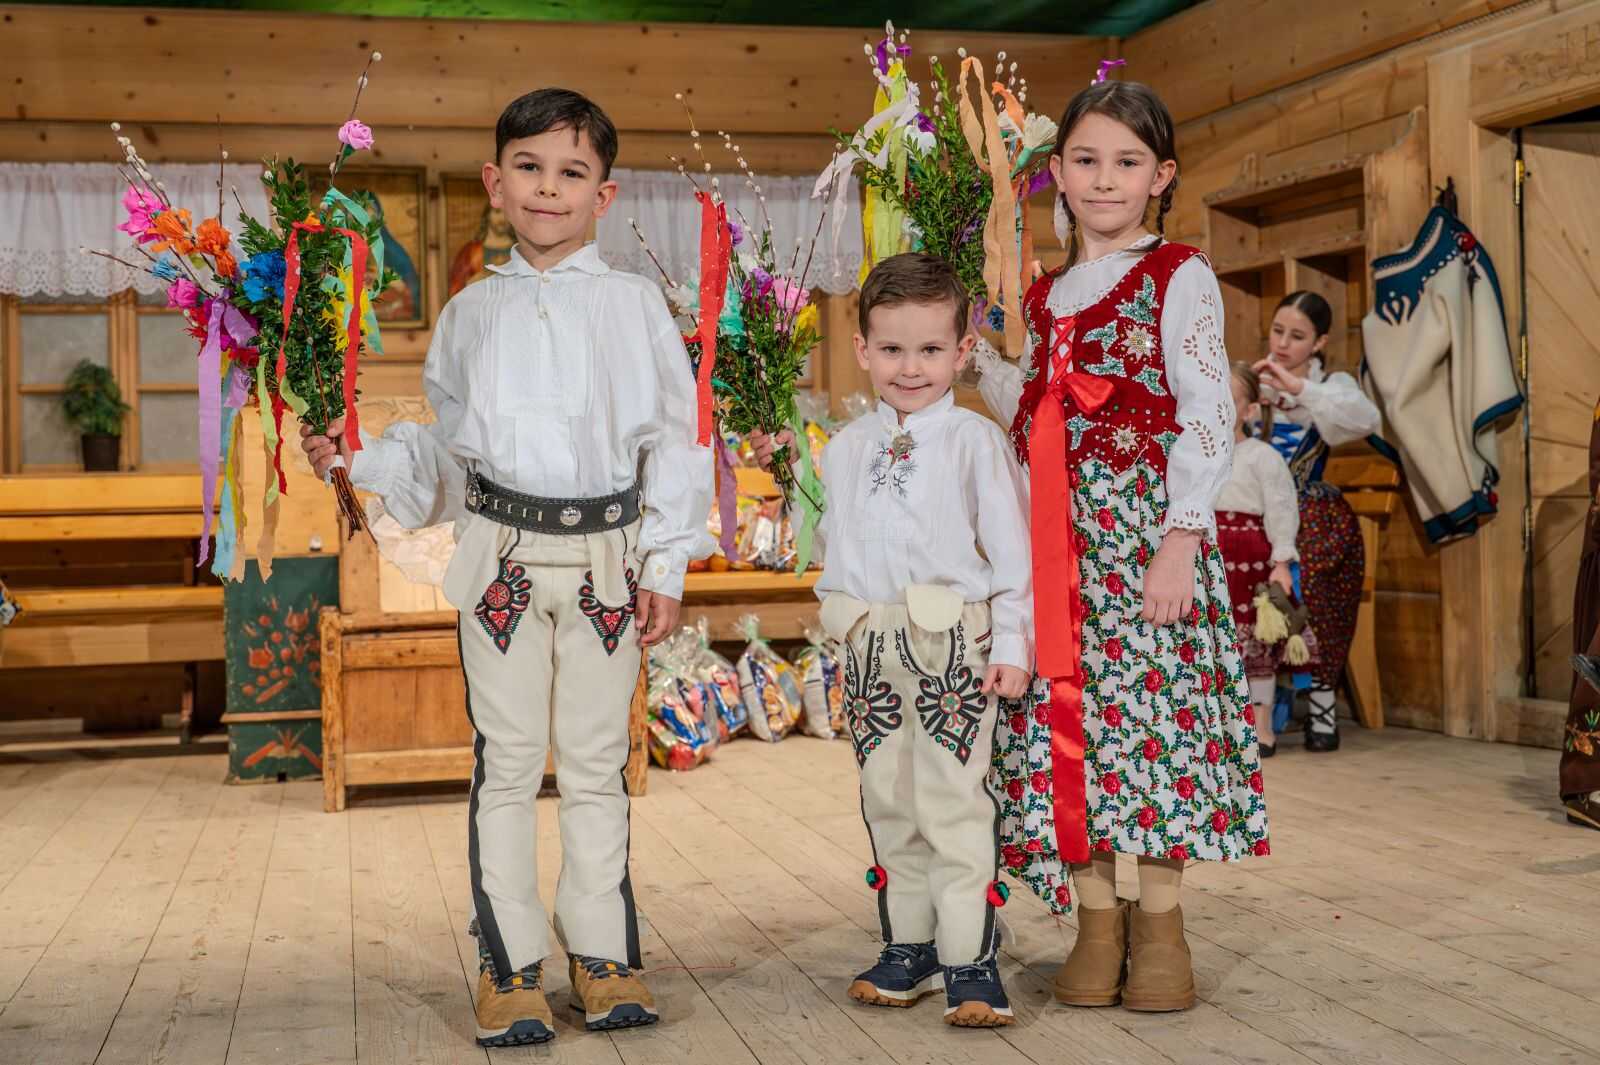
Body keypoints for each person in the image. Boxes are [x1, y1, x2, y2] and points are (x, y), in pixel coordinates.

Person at [301, 88, 711, 1048]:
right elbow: (450, 459)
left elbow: (676, 441)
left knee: (600, 761)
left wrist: (667, 562)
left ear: (604, 195)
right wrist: (358, 457)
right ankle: (509, 963)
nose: (548, 188)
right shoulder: (469, 315)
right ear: (496, 181)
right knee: (510, 760)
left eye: (572, 172)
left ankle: (603, 952)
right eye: (529, 167)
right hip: (503, 566)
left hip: (608, 564)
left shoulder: (637, 307)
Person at [974, 78, 1268, 1013]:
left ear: (1161, 176)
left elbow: (1209, 409)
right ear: (1057, 172)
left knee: (1157, 723)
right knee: (1074, 725)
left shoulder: (1177, 272)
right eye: (1087, 160)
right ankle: (1096, 923)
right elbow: (1031, 404)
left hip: (1145, 537)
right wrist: (977, 350)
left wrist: (1181, 537)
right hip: (1058, 540)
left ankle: (1163, 926)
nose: (1105, 180)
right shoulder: (1043, 294)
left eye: (1127, 162)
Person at [752, 253, 1033, 1028]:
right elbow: (832, 542)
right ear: (864, 348)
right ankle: (910, 942)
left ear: (963, 349)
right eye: (893, 349)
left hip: (953, 647)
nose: (911, 367)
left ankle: (970, 953)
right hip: (871, 644)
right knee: (887, 796)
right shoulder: (845, 447)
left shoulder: (975, 441)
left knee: (953, 797)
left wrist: (1014, 641)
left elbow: (1013, 552)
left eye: (931, 349)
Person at [1253, 290, 1382, 751]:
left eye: (1297, 336)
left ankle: (1322, 700)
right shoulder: (1254, 380)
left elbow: (1366, 420)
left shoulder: (1330, 386)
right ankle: (1251, 703)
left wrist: (1299, 388)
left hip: (1305, 510)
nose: (1283, 343)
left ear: (1319, 342)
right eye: (1278, 331)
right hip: (1252, 509)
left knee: (1321, 554)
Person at [1215, 362, 1303, 757]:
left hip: (1249, 561)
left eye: (1229, 400)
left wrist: (1281, 561)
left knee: (1257, 645)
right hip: (1210, 558)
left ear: (1250, 410)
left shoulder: (1261, 456)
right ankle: (1221, 729)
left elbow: (1281, 507)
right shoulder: (1196, 454)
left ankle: (1261, 727)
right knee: (1219, 642)